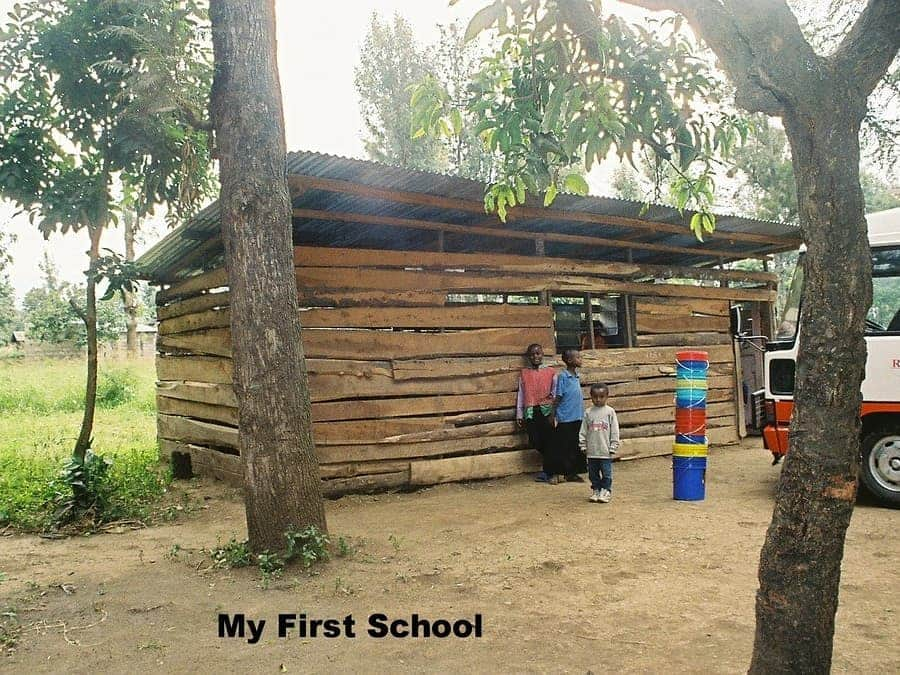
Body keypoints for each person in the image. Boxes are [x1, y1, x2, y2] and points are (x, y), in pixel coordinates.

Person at [516, 343, 560, 483]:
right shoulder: (524, 373)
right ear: (529, 357)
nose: (535, 356)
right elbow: (521, 394)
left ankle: (550, 471)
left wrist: (554, 412)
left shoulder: (551, 372)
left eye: (538, 353)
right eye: (532, 354)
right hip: (530, 411)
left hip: (546, 411)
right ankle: (552, 468)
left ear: (542, 355)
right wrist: (519, 414)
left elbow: (555, 392)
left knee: (549, 440)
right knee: (534, 441)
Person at [579, 383, 620, 503]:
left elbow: (615, 430)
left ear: (607, 396)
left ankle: (606, 491)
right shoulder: (588, 413)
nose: (598, 399)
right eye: (595, 397)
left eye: (601, 397)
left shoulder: (610, 412)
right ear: (591, 397)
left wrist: (613, 445)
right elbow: (583, 430)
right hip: (592, 451)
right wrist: (583, 444)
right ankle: (596, 490)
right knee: (593, 473)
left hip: (605, 451)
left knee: (606, 473)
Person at [551, 348, 587, 482]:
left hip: (577, 416)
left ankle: (575, 470)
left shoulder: (576, 376)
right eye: (578, 357)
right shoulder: (563, 377)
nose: (580, 359)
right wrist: (553, 414)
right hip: (566, 418)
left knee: (576, 444)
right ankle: (567, 472)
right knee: (566, 446)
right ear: (570, 360)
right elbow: (558, 397)